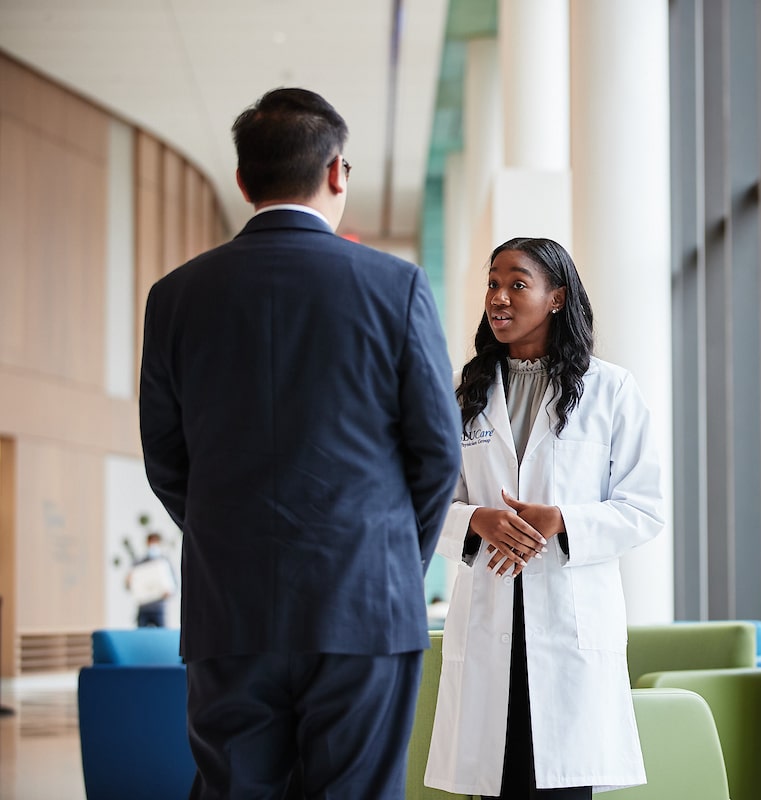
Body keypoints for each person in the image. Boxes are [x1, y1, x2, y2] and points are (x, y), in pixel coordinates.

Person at [138, 87, 461, 799]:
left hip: (232, 608)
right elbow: (438, 452)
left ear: (243, 181)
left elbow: (164, 454)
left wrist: (230, 534)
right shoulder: (395, 286)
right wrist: (388, 559)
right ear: (338, 171)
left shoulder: (177, 296)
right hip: (366, 605)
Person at [424, 237, 665, 799]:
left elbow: (644, 508)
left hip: (565, 626)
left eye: (516, 284)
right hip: (491, 620)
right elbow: (423, 501)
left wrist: (561, 521)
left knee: (561, 787)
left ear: (556, 297)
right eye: (492, 283)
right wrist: (475, 522)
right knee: (494, 784)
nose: (499, 298)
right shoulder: (465, 393)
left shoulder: (610, 390)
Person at [125, 531, 177, 627]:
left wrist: (169, 592)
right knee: (141, 637)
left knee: (162, 637)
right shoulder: (138, 563)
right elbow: (128, 586)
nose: (153, 545)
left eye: (155, 542)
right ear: (147, 543)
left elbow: (174, 585)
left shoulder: (165, 562)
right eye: (151, 542)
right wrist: (129, 581)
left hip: (159, 608)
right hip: (143, 607)